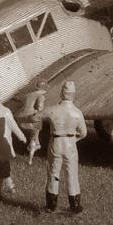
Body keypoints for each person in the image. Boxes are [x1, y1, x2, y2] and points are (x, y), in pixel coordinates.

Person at [37, 81, 87, 214]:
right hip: (70, 144)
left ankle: (51, 205)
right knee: (72, 174)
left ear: (61, 93)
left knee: (54, 173)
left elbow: (36, 116)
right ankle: (75, 205)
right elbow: (84, 133)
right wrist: (74, 140)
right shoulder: (77, 113)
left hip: (56, 143)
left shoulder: (52, 110)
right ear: (73, 95)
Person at [14, 80, 48, 165]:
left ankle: (32, 145)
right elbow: (40, 108)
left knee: (31, 136)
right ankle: (30, 159)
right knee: (34, 137)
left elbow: (17, 98)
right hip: (32, 118)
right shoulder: (41, 96)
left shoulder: (27, 95)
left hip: (20, 118)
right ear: (44, 89)